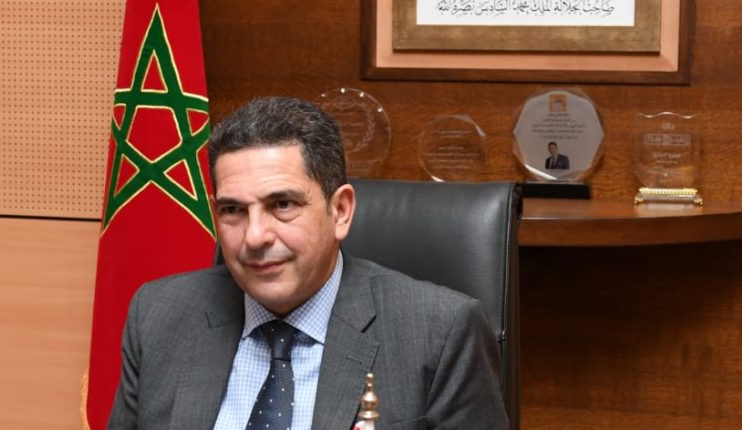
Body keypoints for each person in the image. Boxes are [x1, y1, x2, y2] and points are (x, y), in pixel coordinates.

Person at [108, 96, 508, 429]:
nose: (254, 236)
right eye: (233, 210)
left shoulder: (440, 333)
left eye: (282, 204)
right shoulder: (159, 315)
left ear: (341, 211)